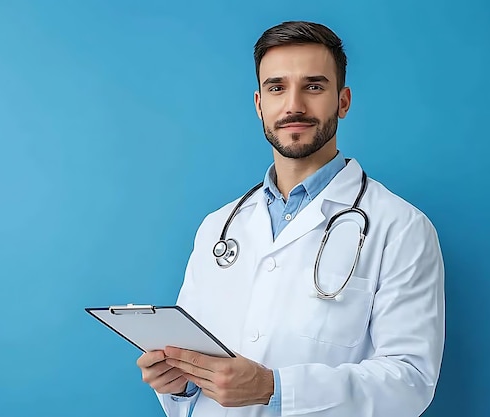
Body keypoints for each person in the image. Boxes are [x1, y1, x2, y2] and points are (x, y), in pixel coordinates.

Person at [136, 21, 445, 417]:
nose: (293, 105)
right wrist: (177, 386)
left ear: (343, 101)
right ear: (259, 103)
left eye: (313, 86)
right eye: (276, 87)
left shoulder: (400, 227)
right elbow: (193, 369)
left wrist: (275, 388)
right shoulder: (218, 227)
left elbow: (411, 381)